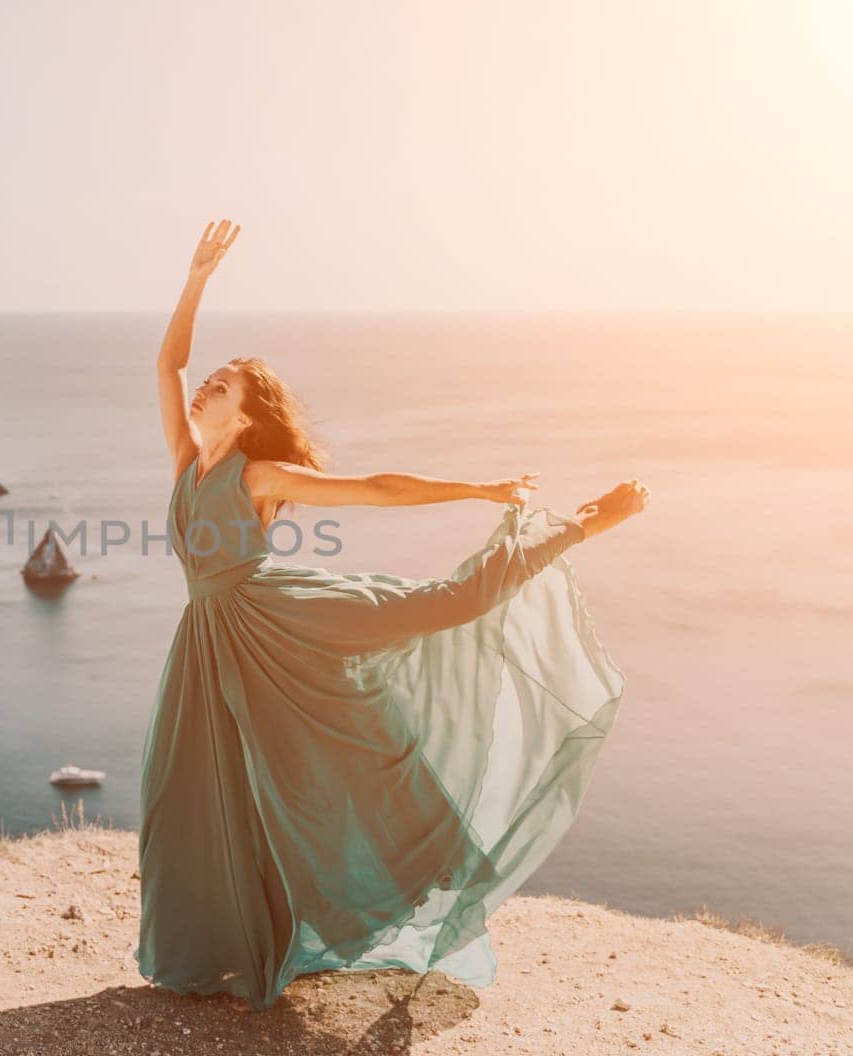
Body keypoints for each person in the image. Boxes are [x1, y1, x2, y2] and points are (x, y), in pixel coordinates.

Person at [134, 219, 647, 1013]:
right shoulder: (183, 459)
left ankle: (576, 524)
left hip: (274, 618)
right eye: (211, 382)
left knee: (441, 606)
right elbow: (168, 360)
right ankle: (225, 944)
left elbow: (375, 489)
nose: (204, 387)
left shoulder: (258, 473)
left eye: (222, 385)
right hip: (205, 643)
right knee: (192, 794)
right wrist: (197, 276)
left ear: (245, 414)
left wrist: (476, 489)